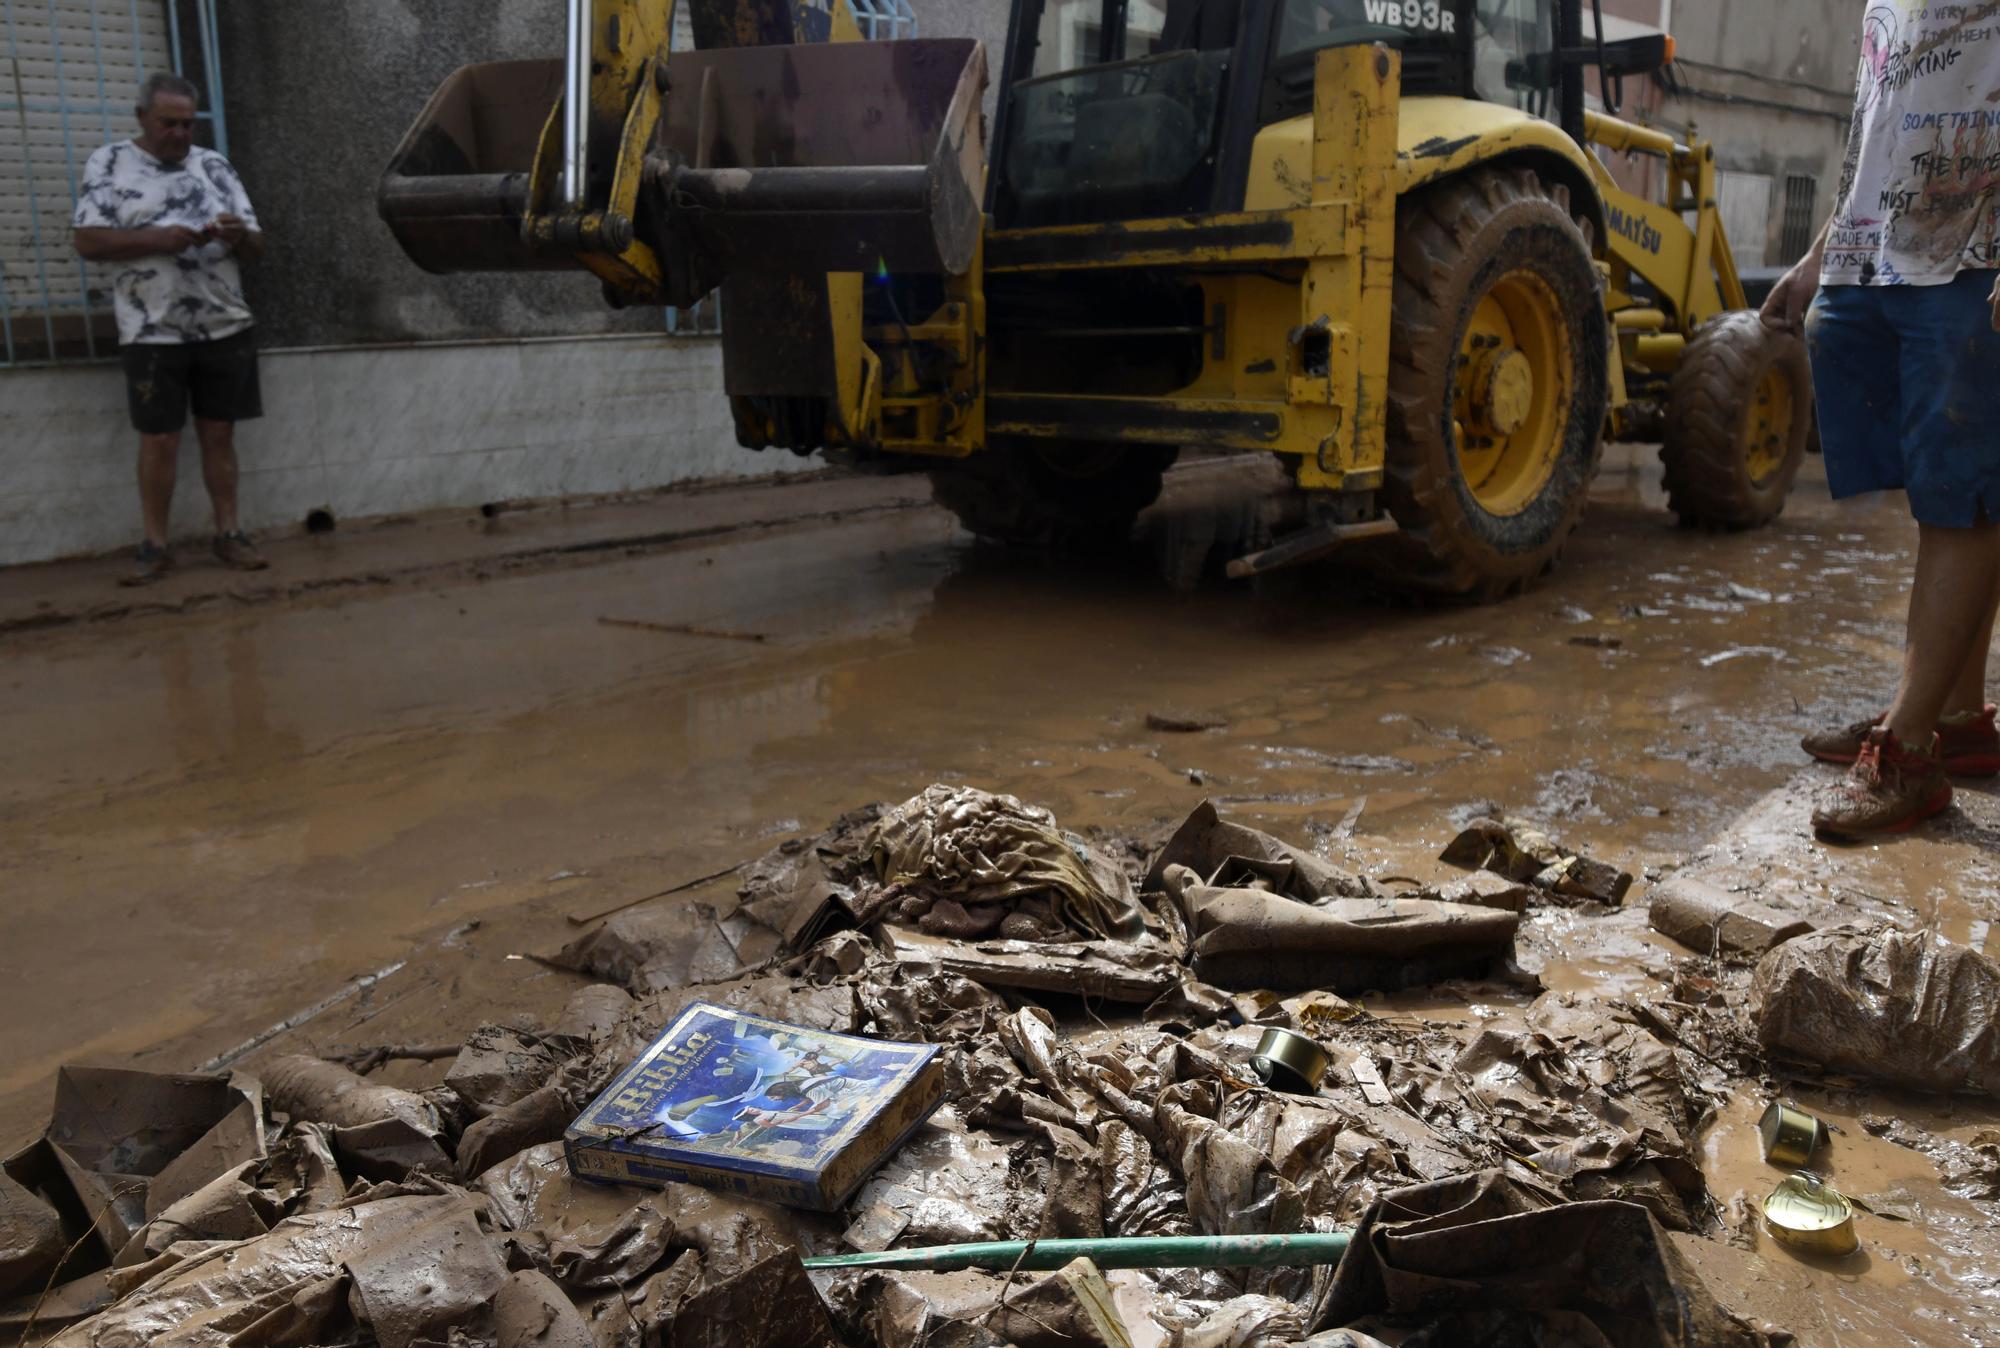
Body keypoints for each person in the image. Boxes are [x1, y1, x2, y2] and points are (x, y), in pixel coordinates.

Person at [1762, 4, 2000, 839]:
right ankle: (1959, 717)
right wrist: (1821, 252)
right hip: (1879, 247)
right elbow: (1883, 117)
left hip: (1976, 247)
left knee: (1966, 491)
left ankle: (1909, 753)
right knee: (1945, 485)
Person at [72, 72, 269, 587]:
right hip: (151, 331)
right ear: (142, 117)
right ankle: (155, 545)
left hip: (223, 325)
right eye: (169, 123)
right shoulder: (109, 163)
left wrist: (239, 235)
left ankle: (229, 534)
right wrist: (159, 238)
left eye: (187, 123)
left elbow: (257, 248)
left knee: (219, 434)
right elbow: (88, 242)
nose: (180, 133)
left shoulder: (215, 166)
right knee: (159, 440)